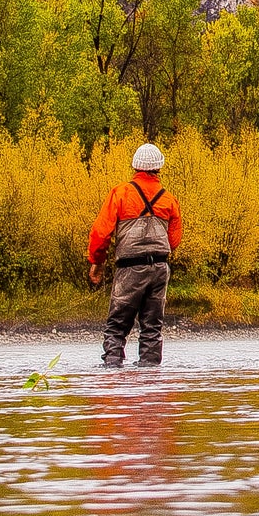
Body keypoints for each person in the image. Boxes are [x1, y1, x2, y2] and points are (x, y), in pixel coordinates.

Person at [87, 142, 183, 368]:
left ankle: (112, 373)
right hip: (160, 269)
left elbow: (101, 233)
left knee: (117, 326)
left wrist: (97, 263)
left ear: (135, 166)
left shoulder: (120, 193)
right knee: (152, 328)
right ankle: (150, 380)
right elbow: (174, 240)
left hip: (129, 269)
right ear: (159, 167)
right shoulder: (169, 199)